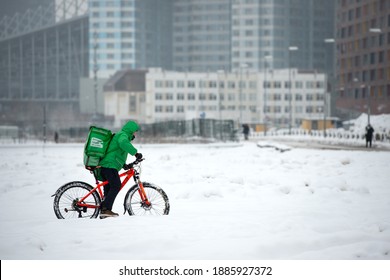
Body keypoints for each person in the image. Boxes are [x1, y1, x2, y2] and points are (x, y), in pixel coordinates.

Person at [97, 120, 142, 218]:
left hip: (107, 165)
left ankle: (104, 211)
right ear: (131, 130)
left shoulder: (121, 135)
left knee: (109, 189)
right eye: (134, 131)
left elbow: (115, 153)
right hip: (109, 165)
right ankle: (105, 209)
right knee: (116, 185)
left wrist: (124, 165)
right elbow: (123, 144)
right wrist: (136, 153)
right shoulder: (123, 135)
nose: (135, 134)